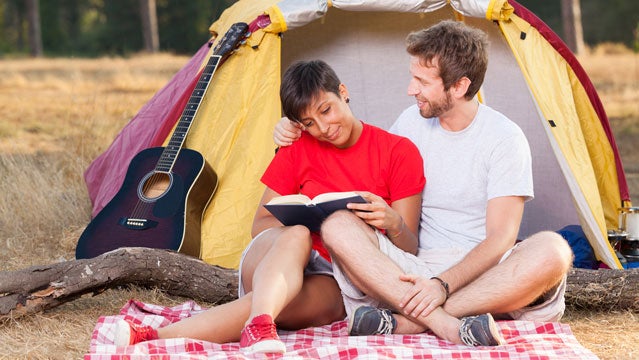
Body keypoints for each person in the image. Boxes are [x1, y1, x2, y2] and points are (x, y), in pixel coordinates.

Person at [273, 20, 574, 347]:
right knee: (337, 226)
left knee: (553, 250)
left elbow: (501, 239)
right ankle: (443, 322)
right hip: (409, 270)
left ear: (458, 87)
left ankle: (411, 322)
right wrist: (294, 129)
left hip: (483, 274)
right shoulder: (409, 123)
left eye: (421, 81)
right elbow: (366, 158)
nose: (410, 89)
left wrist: (441, 286)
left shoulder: (505, 138)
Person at [112, 59, 426, 354]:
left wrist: (393, 222)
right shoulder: (298, 147)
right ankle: (261, 323)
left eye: (327, 110)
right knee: (298, 235)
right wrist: (302, 224)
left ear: (343, 92)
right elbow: (260, 225)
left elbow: (409, 249)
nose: (324, 128)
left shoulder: (397, 152)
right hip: (276, 256)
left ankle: (156, 336)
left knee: (274, 301)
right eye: (310, 122)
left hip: (335, 278)